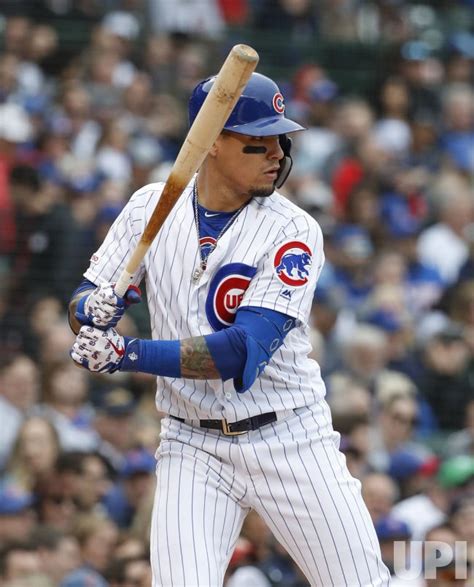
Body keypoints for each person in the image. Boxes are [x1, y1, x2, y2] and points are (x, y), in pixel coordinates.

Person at [69, 72, 390, 586]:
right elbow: (82, 301)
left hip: (288, 436)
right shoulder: (148, 207)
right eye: (256, 142)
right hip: (190, 443)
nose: (277, 154)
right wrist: (93, 308)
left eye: (280, 140)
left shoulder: (292, 229)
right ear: (211, 141)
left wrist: (125, 353)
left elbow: (242, 351)